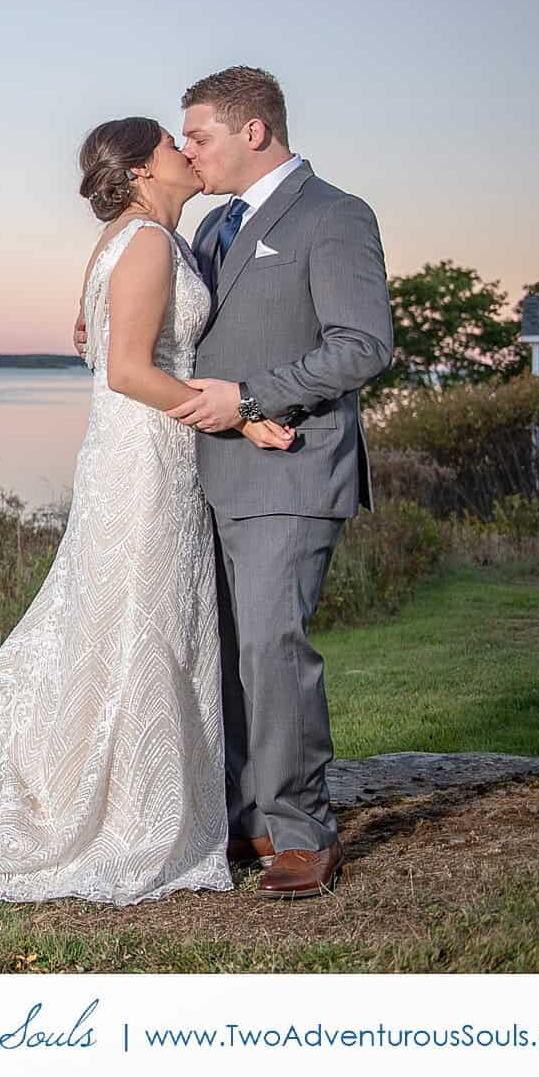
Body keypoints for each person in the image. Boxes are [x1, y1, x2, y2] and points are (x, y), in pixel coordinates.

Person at [0, 116, 293, 904]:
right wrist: (242, 415)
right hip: (146, 453)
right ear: (144, 169)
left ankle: (145, 792)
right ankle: (131, 814)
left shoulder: (126, 239)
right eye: (175, 147)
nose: (188, 154)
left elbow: (91, 336)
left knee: (128, 619)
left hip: (139, 452)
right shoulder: (144, 243)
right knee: (143, 621)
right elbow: (129, 373)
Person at [162, 65, 393, 897]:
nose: (187, 150)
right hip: (206, 476)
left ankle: (302, 834)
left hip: (290, 465)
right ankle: (245, 818)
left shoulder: (334, 216)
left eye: (199, 134)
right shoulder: (212, 228)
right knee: (220, 654)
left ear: (252, 131)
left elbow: (362, 346)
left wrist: (252, 398)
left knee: (269, 647)